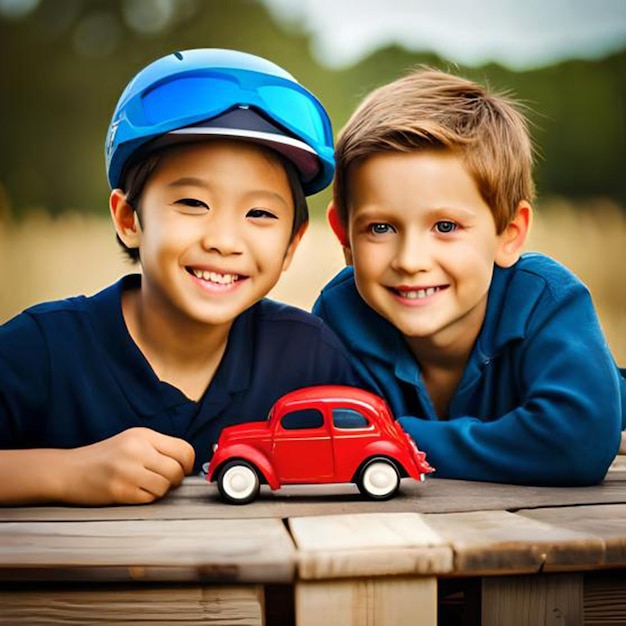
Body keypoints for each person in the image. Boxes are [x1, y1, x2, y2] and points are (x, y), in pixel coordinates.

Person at [0, 48, 361, 505]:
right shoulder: (44, 350)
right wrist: (66, 473)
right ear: (129, 218)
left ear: (292, 243)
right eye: (192, 203)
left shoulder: (310, 359)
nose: (224, 240)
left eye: (260, 213)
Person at [314, 66, 626, 486]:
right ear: (344, 235)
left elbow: (575, 446)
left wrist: (396, 440)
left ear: (509, 234)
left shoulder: (545, 299)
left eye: (445, 227)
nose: (410, 260)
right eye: (381, 228)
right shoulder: (341, 315)